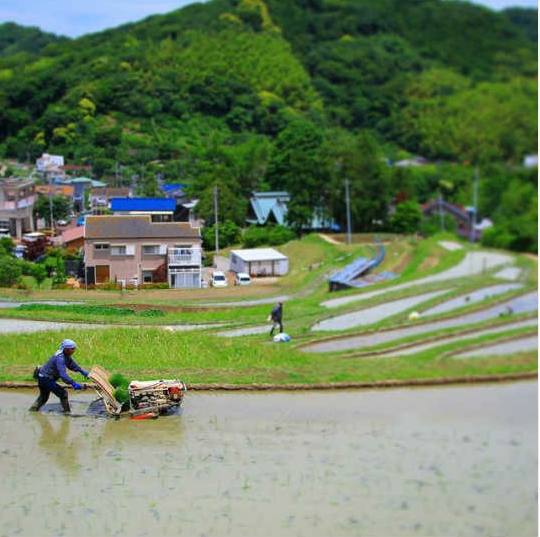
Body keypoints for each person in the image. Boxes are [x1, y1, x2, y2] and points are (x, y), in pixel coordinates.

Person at [29, 339, 89, 414]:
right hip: (46, 379)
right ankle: (67, 414)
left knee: (43, 397)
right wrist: (73, 383)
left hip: (43, 377)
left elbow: (72, 365)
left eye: (74, 348)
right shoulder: (60, 358)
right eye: (72, 349)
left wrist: (83, 372)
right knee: (63, 394)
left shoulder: (65, 355)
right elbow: (63, 375)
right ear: (66, 349)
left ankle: (32, 411)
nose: (74, 350)